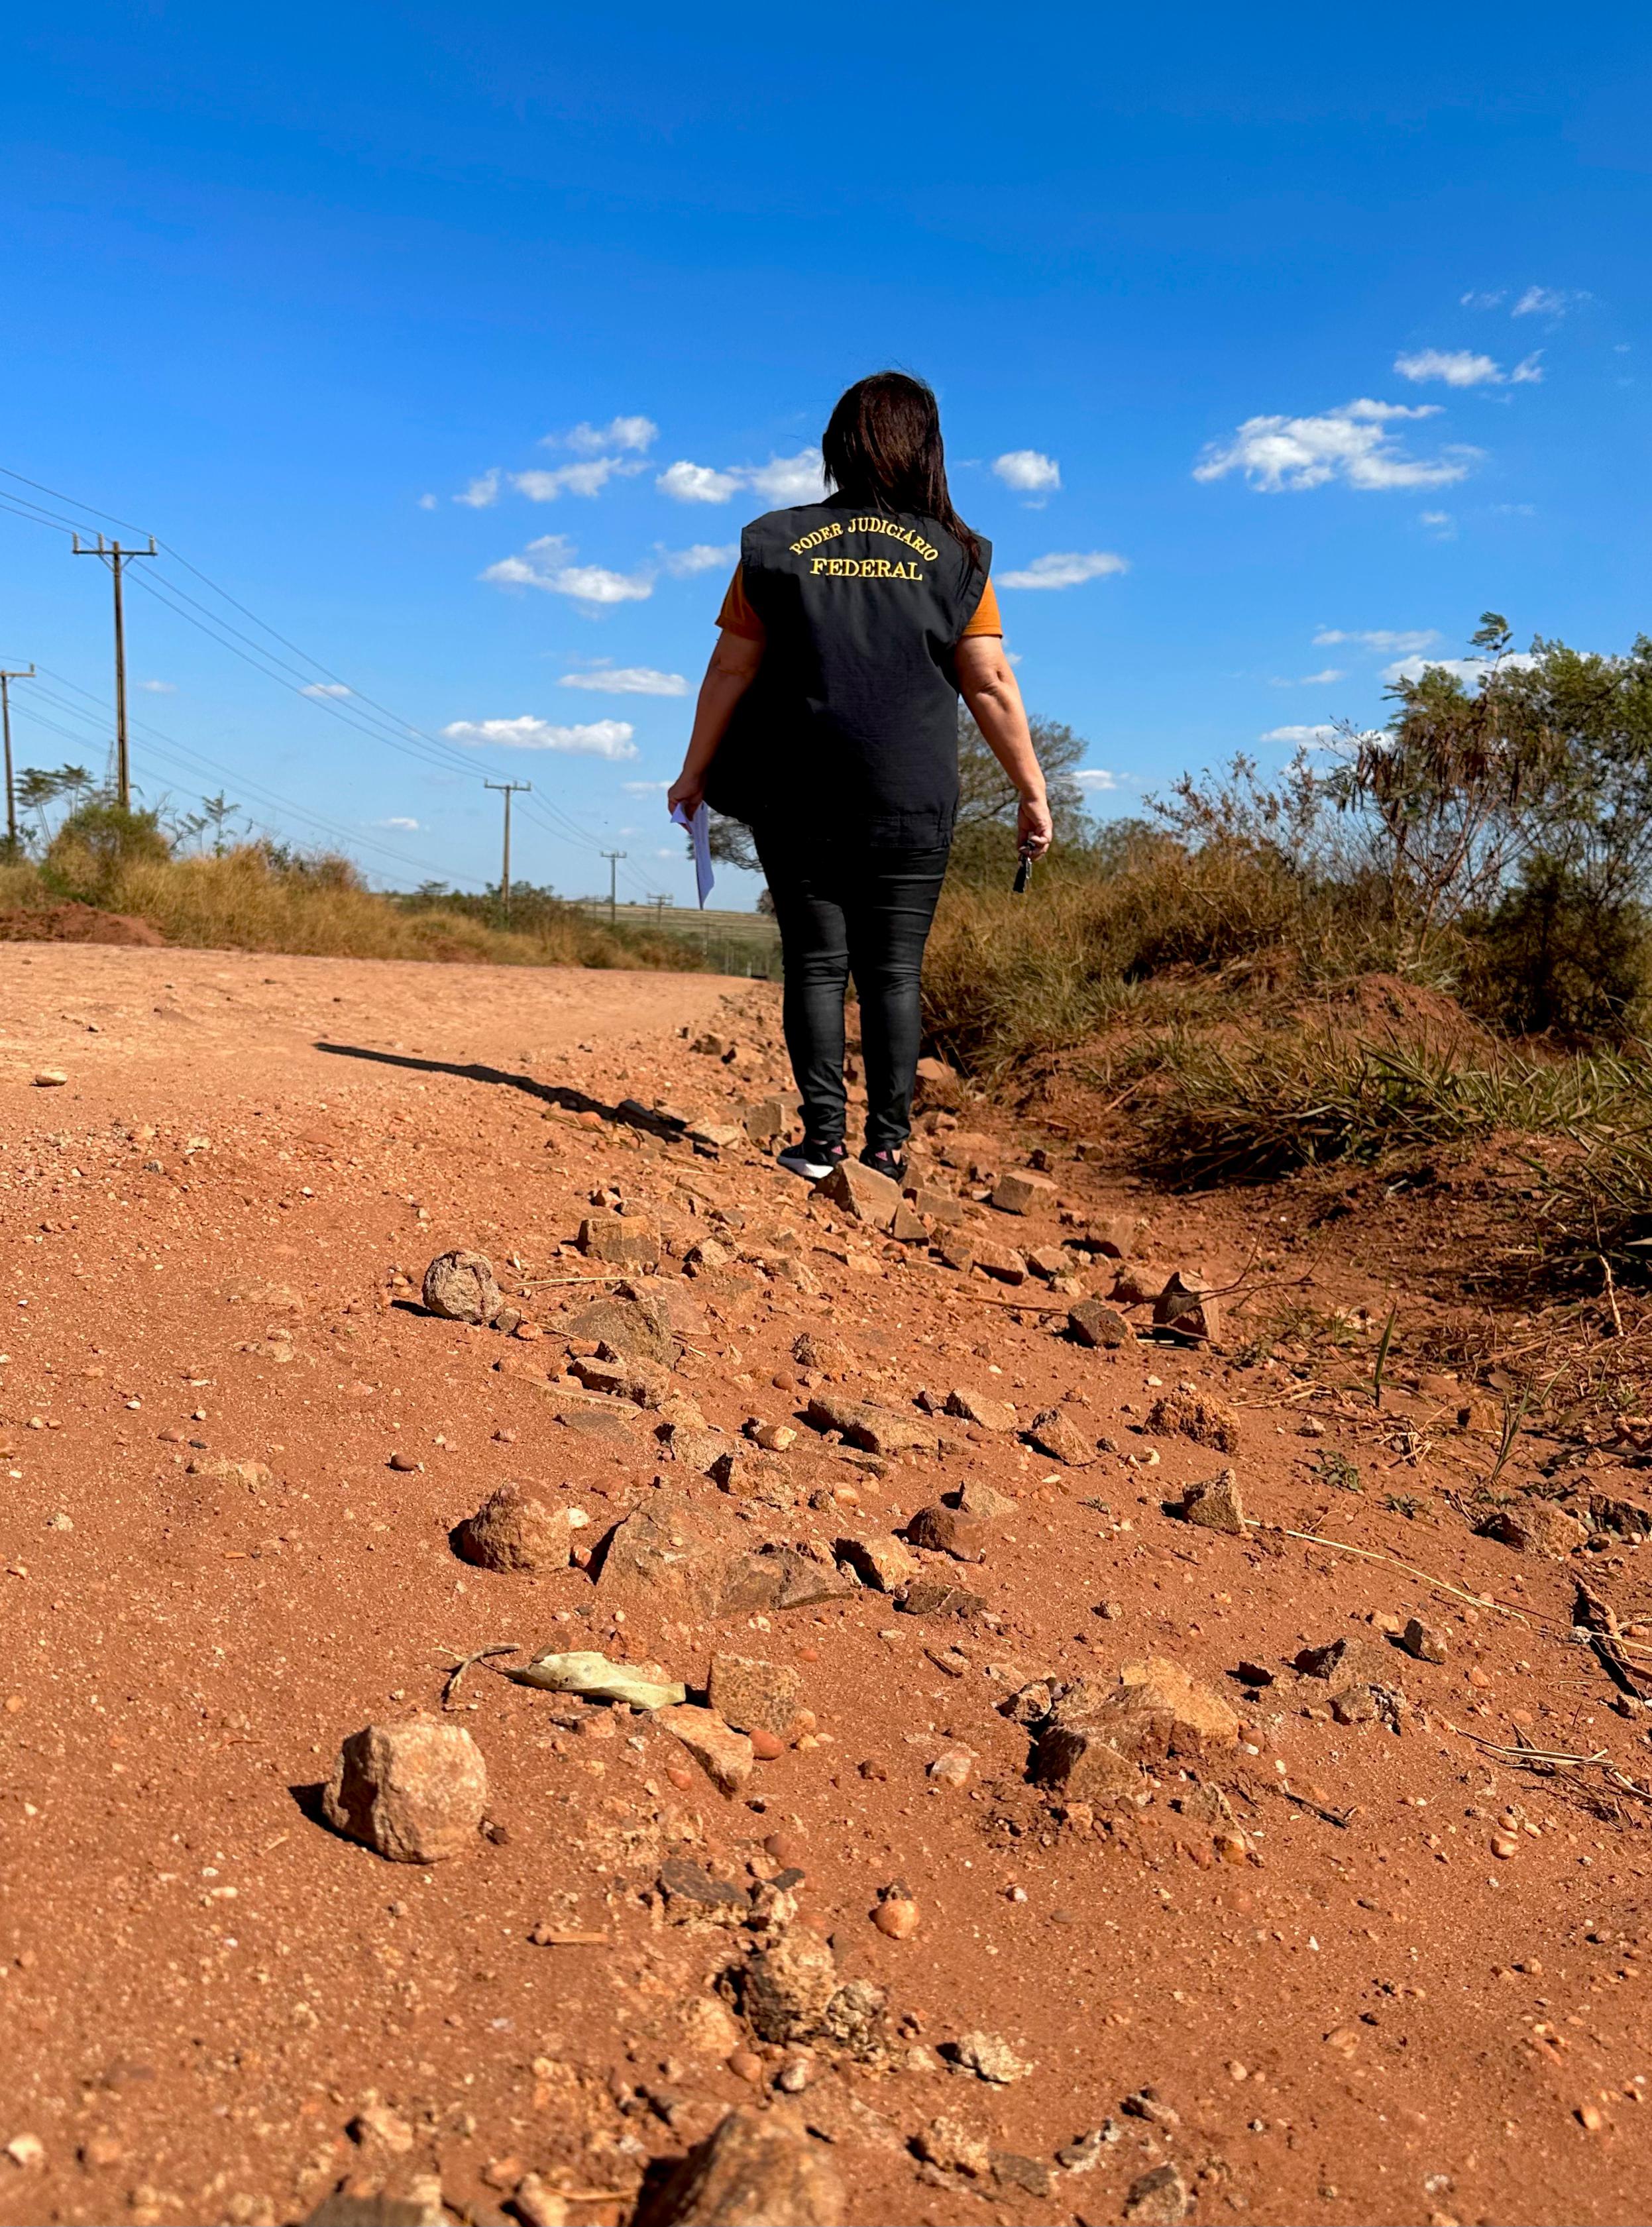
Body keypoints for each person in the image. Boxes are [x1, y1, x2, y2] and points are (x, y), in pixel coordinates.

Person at [666, 370, 1053, 1185]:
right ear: (927, 450)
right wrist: (1030, 789)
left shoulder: (773, 542)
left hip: (794, 791)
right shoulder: (958, 553)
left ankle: (822, 1144)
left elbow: (731, 667)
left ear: (838, 448)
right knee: (893, 972)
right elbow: (988, 681)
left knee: (814, 963)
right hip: (911, 797)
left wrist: (694, 771)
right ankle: (887, 1146)